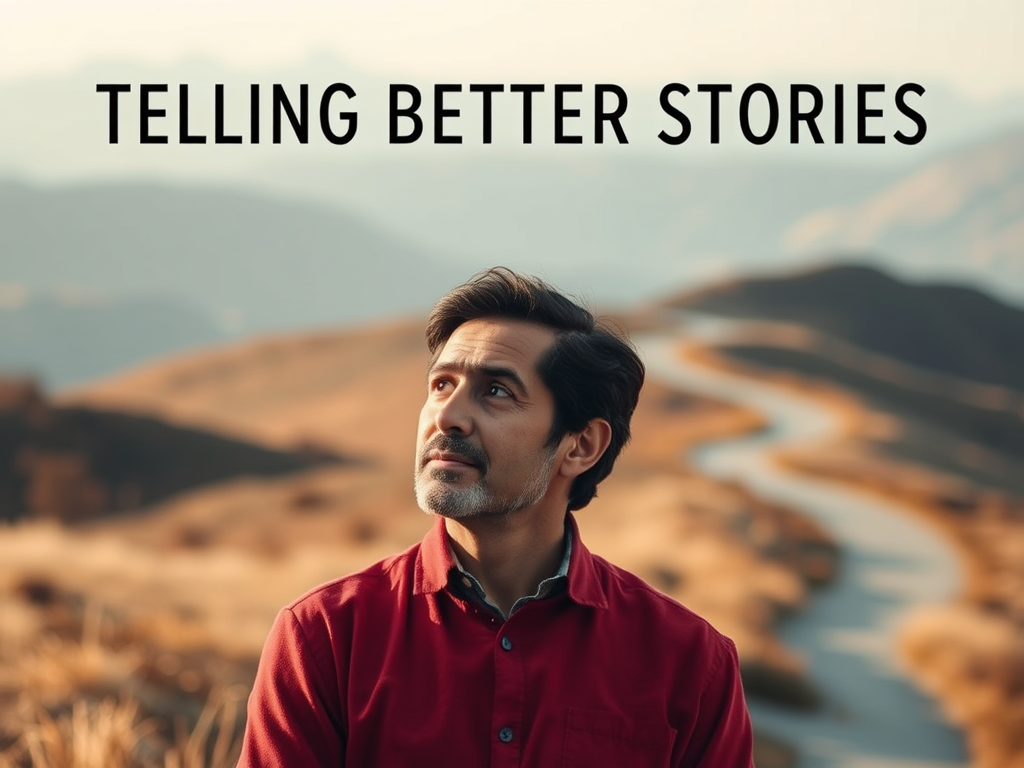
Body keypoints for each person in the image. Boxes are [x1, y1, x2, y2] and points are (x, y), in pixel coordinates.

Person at [237, 267, 754, 767]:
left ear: (581, 446)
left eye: (497, 392)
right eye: (441, 385)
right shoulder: (325, 637)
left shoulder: (689, 662)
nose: (448, 416)